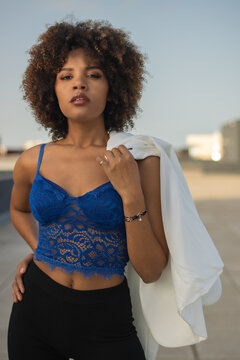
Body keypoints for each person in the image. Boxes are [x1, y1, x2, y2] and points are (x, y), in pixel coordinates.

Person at [7, 18, 169, 360]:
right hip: (34, 311)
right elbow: (18, 210)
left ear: (113, 86)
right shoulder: (31, 160)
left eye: (93, 74)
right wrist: (40, 248)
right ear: (51, 89)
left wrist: (131, 194)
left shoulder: (139, 159)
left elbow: (152, 269)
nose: (79, 83)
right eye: (66, 76)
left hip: (106, 321)